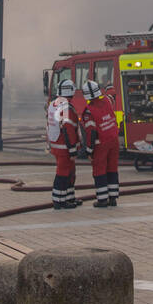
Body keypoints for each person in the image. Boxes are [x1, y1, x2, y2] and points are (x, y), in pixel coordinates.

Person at [80, 79, 121, 208]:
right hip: (114, 141)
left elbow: (91, 133)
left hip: (100, 144)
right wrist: (109, 86)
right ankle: (113, 198)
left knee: (99, 170)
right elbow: (112, 95)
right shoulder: (108, 101)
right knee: (112, 168)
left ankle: (102, 199)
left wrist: (89, 151)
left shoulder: (88, 111)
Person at [46, 78, 82, 210]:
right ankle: (59, 201)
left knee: (70, 172)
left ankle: (69, 197)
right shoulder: (66, 106)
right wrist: (73, 149)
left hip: (57, 144)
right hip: (64, 147)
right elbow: (68, 129)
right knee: (63, 173)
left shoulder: (54, 104)